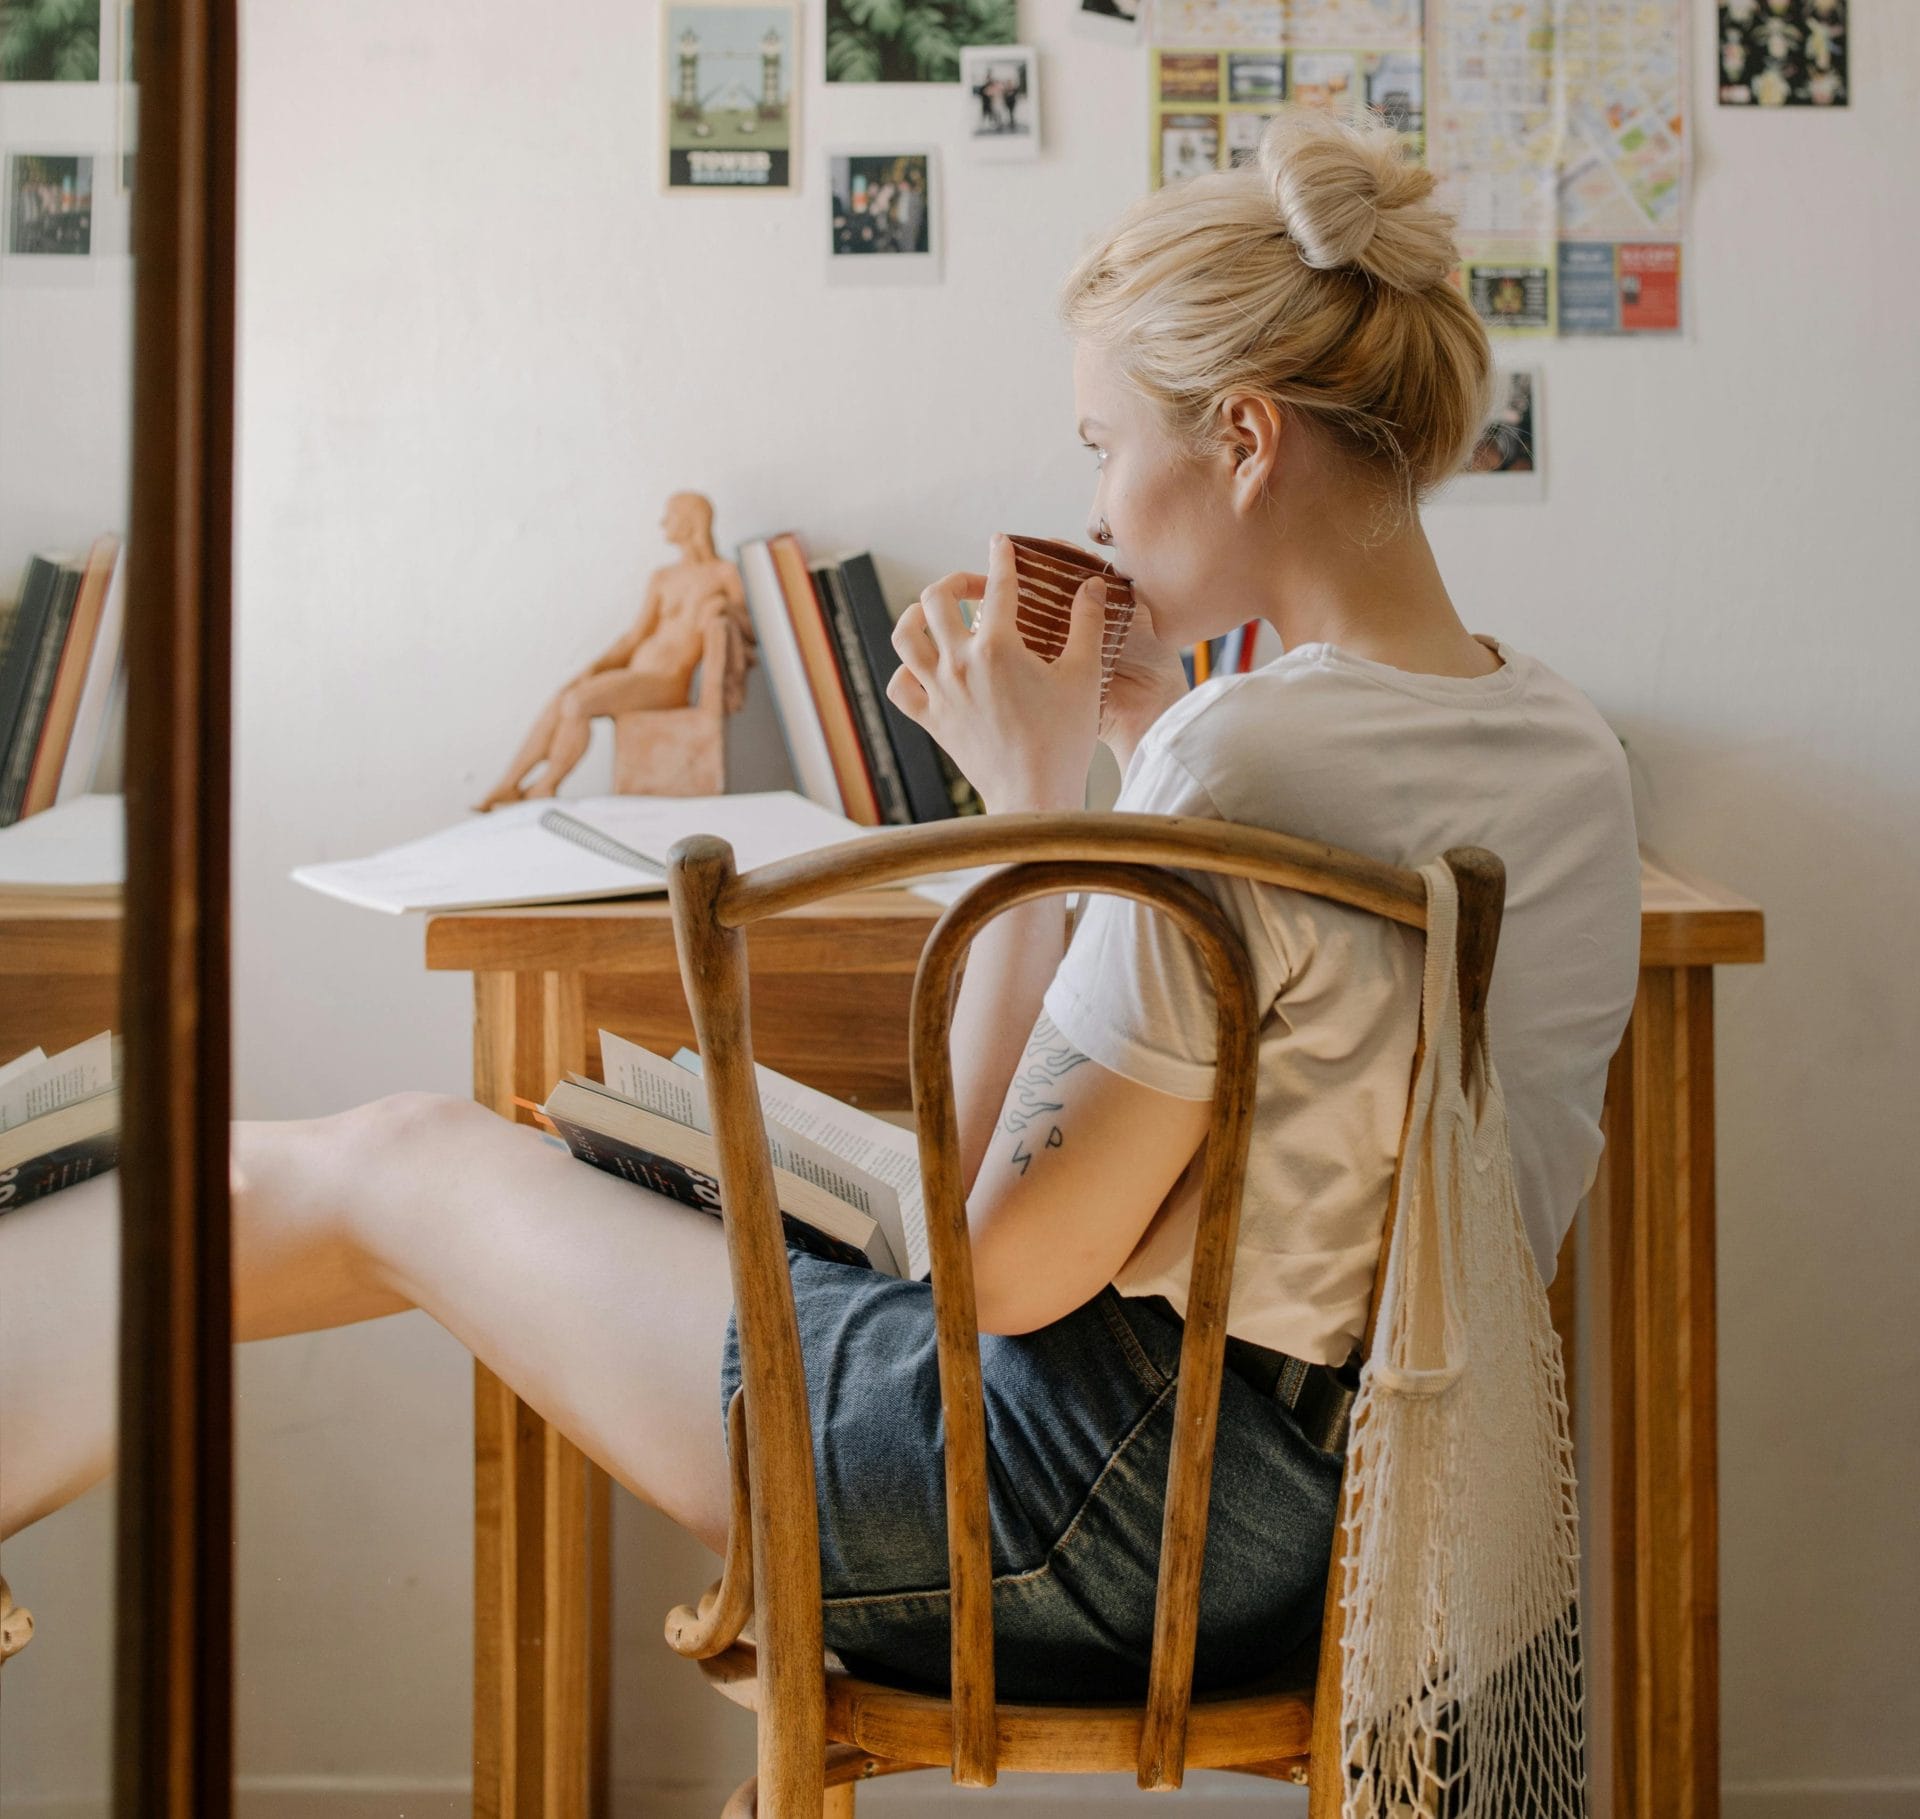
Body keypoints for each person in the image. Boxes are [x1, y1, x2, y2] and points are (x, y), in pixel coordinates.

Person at [0, 108, 1639, 1702]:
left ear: (1244, 437)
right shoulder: (1557, 745)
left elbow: (998, 1275)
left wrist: (1033, 810)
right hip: (1348, 1519)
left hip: (1083, 1504)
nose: (1090, 515)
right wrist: (1129, 754)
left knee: (396, 1163)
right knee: (428, 1180)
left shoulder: (1241, 760)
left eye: (1102, 447)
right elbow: (1298, 1144)